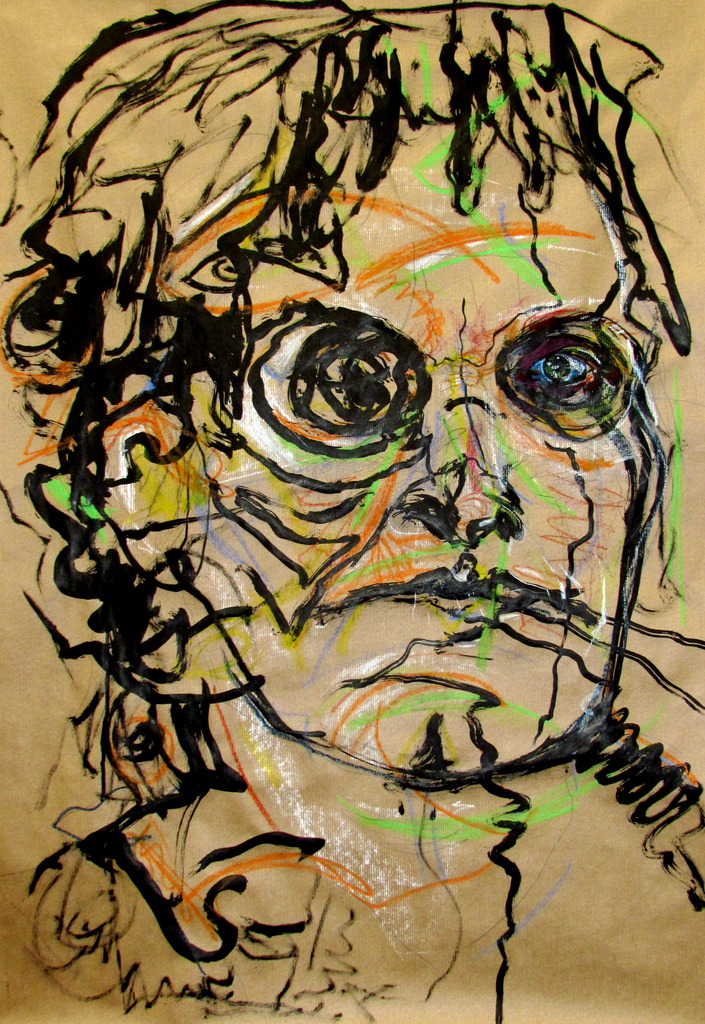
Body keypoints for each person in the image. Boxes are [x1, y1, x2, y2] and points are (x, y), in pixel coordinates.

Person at [2, 2, 704, 1019]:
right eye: (347, 384)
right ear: (146, 466)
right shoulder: (71, 957)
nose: (475, 494)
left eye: (561, 373)